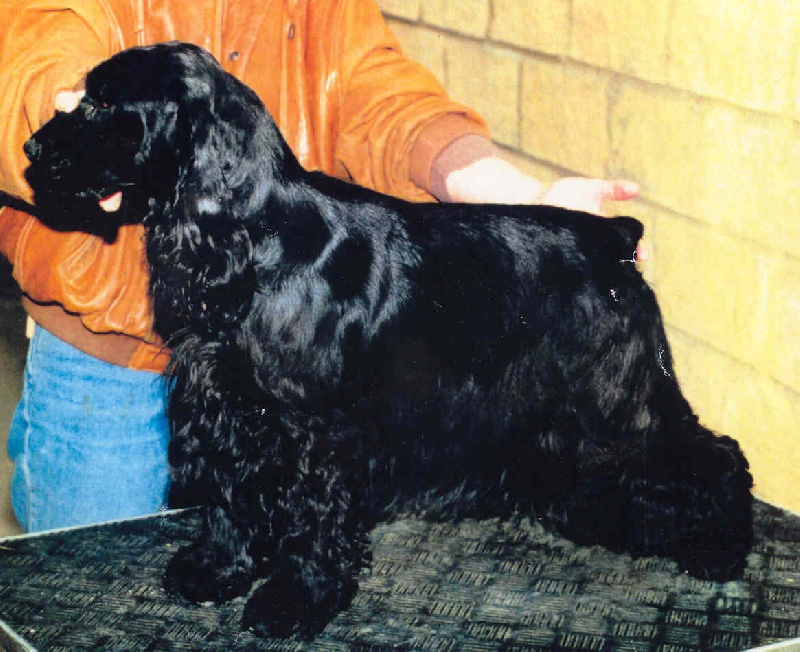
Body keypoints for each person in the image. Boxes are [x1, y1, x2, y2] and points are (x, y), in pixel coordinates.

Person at [0, 0, 639, 532]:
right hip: (109, 357)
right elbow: (32, 53)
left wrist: (527, 200)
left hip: (279, 353)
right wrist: (74, 115)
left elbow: (382, 97)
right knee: (97, 591)